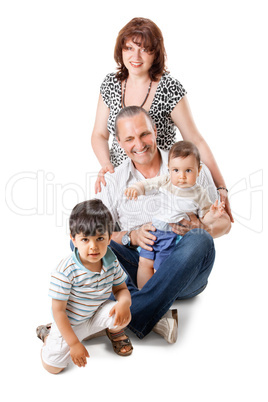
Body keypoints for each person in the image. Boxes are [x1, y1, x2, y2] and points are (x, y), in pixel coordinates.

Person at [95, 106, 231, 343]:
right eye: (129, 138)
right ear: (118, 142)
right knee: (82, 241)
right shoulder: (113, 181)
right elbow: (99, 233)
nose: (139, 144)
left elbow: (225, 223)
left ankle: (124, 313)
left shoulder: (189, 165)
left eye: (144, 134)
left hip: (182, 270)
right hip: (139, 263)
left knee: (200, 239)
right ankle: (154, 315)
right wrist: (131, 237)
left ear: (155, 130)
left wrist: (203, 228)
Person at [91, 17, 233, 221]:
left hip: (165, 178)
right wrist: (107, 166)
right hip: (125, 178)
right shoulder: (111, 84)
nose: (135, 56)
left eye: (145, 49)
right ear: (120, 51)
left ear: (156, 53)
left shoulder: (169, 88)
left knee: (180, 230)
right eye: (129, 48)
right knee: (95, 230)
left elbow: (195, 139)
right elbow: (98, 134)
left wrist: (220, 186)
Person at [36, 199, 133, 374]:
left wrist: (124, 303)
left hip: (95, 313)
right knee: (53, 367)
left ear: (110, 237)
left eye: (100, 238)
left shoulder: (111, 261)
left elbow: (120, 289)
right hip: (71, 322)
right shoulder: (66, 271)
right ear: (74, 239)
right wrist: (74, 344)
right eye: (85, 239)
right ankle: (50, 335)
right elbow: (58, 311)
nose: (93, 247)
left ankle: (115, 332)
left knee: (124, 315)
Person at [124, 140, 226, 288]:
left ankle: (157, 297)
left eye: (188, 171)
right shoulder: (166, 181)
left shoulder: (199, 193)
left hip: (172, 234)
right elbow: (148, 184)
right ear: (169, 169)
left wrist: (213, 215)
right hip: (154, 229)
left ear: (199, 170)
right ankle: (143, 295)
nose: (182, 176)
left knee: (161, 268)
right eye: (176, 170)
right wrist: (136, 189)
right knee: (144, 262)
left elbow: (205, 219)